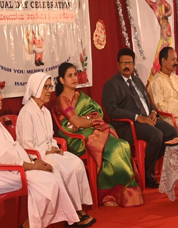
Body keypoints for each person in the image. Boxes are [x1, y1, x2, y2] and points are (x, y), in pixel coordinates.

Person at [0, 78, 79, 228]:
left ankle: (35, 226)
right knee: (49, 182)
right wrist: (32, 165)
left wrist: (33, 161)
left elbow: (9, 151)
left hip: (14, 166)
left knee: (53, 173)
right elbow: (4, 156)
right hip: (4, 173)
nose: (1, 97)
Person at [55, 62, 143, 207]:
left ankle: (121, 192)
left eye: (75, 74)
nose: (74, 78)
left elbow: (96, 113)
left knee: (123, 145)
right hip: (78, 139)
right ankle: (108, 195)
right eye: (69, 76)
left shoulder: (80, 96)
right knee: (115, 149)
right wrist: (91, 120)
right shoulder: (62, 100)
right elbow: (77, 123)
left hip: (93, 131)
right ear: (62, 80)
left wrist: (88, 119)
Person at [17, 72, 95, 227]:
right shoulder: (26, 113)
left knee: (76, 163)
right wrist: (47, 151)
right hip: (36, 158)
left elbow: (50, 137)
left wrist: (54, 147)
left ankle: (76, 207)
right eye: (45, 87)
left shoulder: (45, 111)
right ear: (35, 88)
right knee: (65, 167)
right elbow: (27, 147)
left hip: (49, 152)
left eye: (50, 86)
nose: (49, 90)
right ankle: (73, 214)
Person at [102, 48, 178, 190]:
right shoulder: (111, 85)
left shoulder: (137, 80)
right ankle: (147, 175)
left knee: (173, 134)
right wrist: (137, 118)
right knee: (157, 135)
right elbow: (112, 111)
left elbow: (147, 102)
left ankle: (143, 166)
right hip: (129, 125)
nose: (127, 66)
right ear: (118, 64)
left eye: (130, 63)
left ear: (133, 64)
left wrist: (153, 112)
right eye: (123, 63)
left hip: (148, 119)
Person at [134, 0, 173, 84]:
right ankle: (155, 81)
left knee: (165, 57)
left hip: (167, 33)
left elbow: (170, 10)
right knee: (158, 58)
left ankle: (164, 80)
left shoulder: (164, 2)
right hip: (162, 33)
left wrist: (165, 14)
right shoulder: (153, 5)